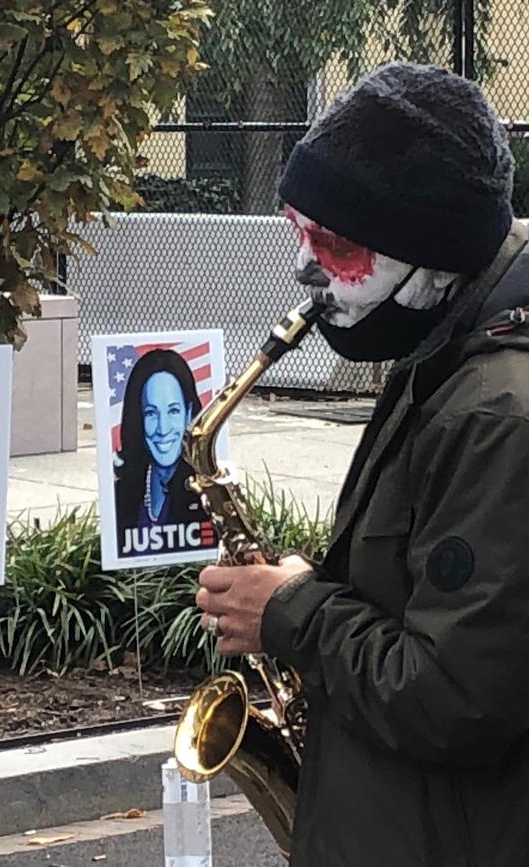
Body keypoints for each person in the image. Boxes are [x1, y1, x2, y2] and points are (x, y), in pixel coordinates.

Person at [196, 62, 529, 866]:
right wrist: (327, 582)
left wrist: (292, 611)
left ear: (432, 255)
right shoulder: (446, 338)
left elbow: (459, 697)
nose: (305, 269)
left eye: (336, 245)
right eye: (296, 229)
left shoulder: (498, 414)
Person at [114, 348, 209, 557]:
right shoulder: (122, 490)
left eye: (173, 411)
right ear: (138, 418)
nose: (163, 428)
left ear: (189, 413)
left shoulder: (208, 494)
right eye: (151, 413)